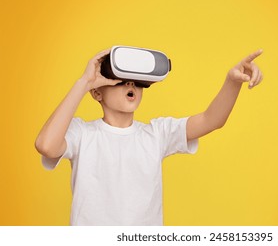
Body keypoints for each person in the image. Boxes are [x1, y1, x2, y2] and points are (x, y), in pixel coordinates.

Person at [35, 47, 264, 225]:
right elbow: (46, 145)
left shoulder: (156, 134)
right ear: (97, 92)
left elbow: (210, 120)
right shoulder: (82, 134)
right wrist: (83, 83)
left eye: (137, 81)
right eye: (121, 80)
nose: (131, 84)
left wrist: (232, 82)